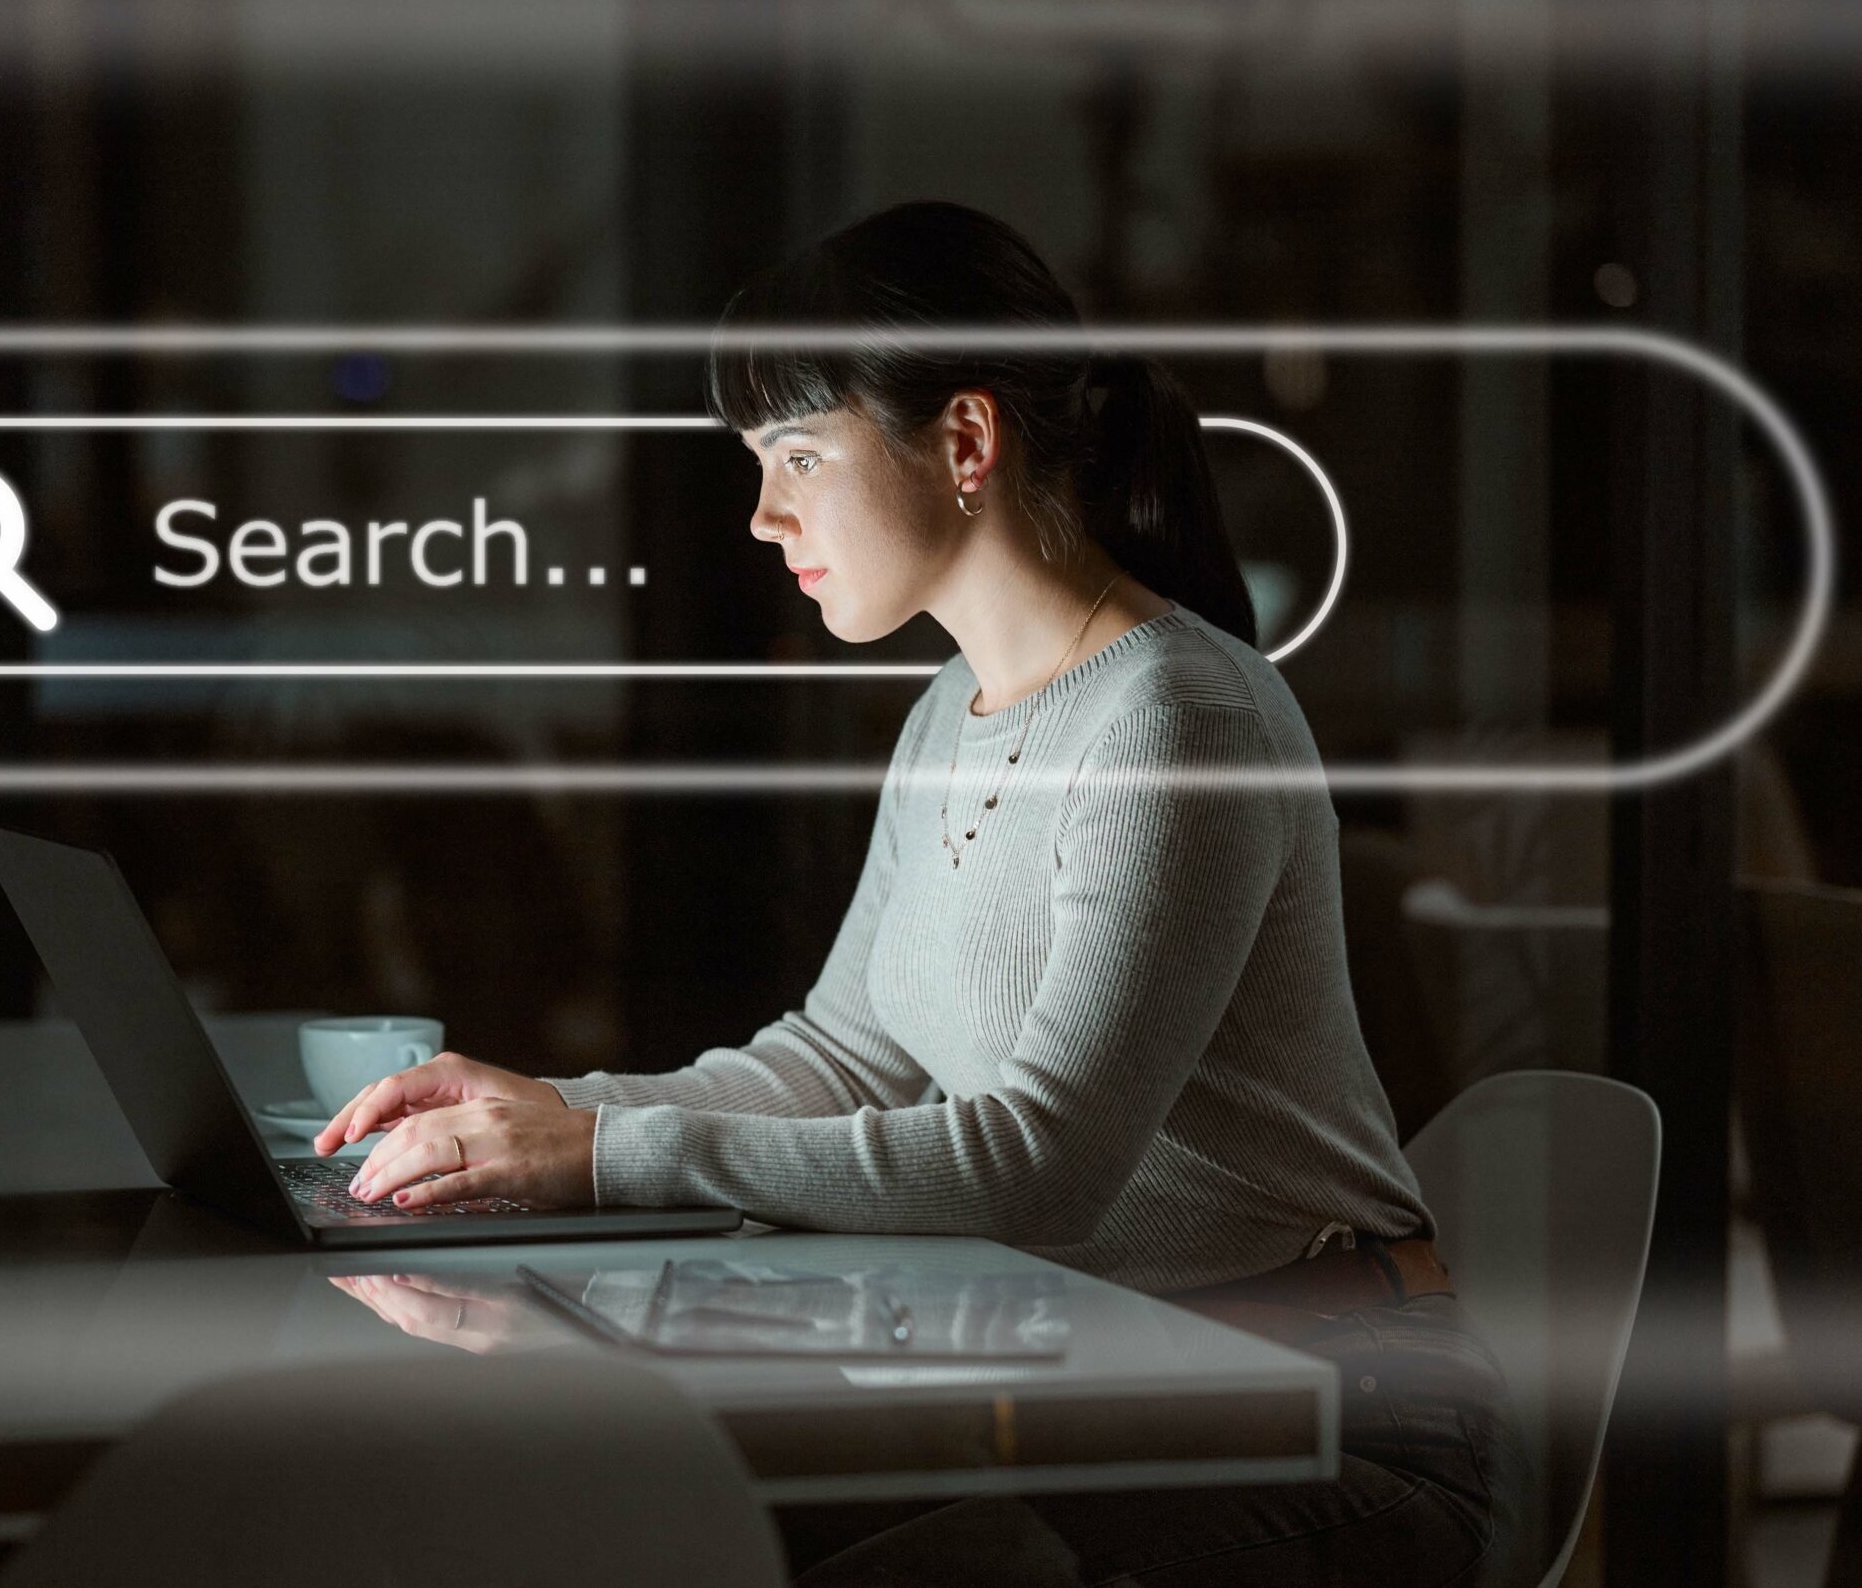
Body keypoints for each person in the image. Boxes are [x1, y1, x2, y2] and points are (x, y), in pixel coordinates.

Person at [312, 200, 1535, 1588]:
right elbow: (848, 1056)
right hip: (1129, 1405)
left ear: (964, 440)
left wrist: (602, 1154)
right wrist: (546, 1117)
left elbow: (1043, 1162)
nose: (764, 516)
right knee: (639, 1530)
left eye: (796, 456)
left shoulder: (1177, 717)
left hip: (1350, 1432)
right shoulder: (948, 712)